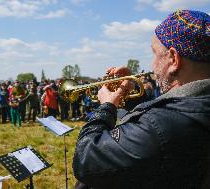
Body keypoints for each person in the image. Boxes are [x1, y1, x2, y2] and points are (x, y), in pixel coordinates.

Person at [73, 10, 210, 189]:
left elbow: (86, 159)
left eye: (155, 53)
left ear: (173, 59)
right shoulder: (191, 108)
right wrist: (133, 94)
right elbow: (163, 120)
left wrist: (106, 106)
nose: (153, 65)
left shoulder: (160, 126)